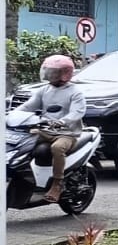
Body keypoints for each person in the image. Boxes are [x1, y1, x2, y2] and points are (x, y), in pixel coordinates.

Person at [20, 54, 86, 203]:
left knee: (57, 148)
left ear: (65, 74)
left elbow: (77, 112)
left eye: (53, 72)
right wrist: (13, 114)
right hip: (45, 130)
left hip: (67, 134)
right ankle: (23, 177)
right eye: (48, 71)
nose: (49, 74)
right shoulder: (44, 90)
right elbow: (28, 106)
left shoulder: (75, 92)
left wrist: (62, 121)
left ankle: (57, 184)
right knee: (21, 141)